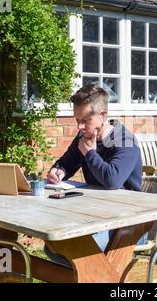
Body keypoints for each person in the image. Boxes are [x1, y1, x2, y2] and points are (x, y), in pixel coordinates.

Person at [44, 84, 143, 267]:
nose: (80, 127)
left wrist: (90, 154)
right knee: (53, 247)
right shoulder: (83, 137)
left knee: (73, 251)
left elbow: (112, 181)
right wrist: (59, 171)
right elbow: (66, 163)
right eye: (77, 120)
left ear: (103, 115)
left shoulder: (125, 141)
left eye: (86, 120)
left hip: (127, 226)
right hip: (95, 215)